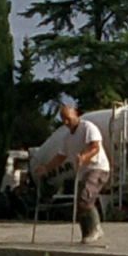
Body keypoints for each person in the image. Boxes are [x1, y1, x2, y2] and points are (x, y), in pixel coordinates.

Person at [37, 103, 110, 242]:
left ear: (75, 114)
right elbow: (61, 157)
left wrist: (84, 157)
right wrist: (46, 167)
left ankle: (96, 229)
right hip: (84, 171)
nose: (66, 122)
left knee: (85, 199)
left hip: (98, 168)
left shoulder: (88, 127)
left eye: (68, 118)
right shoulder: (67, 137)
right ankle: (86, 233)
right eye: (63, 119)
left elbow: (95, 147)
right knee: (79, 203)